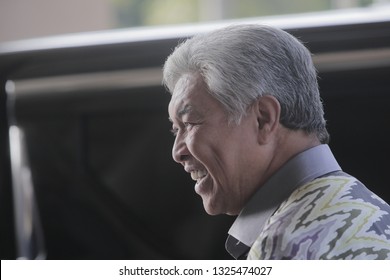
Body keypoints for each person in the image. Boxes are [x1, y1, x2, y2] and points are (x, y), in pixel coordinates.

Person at [163, 24, 390, 260]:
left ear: (263, 118)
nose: (177, 152)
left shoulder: (287, 246)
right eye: (175, 129)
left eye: (190, 123)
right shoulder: (373, 212)